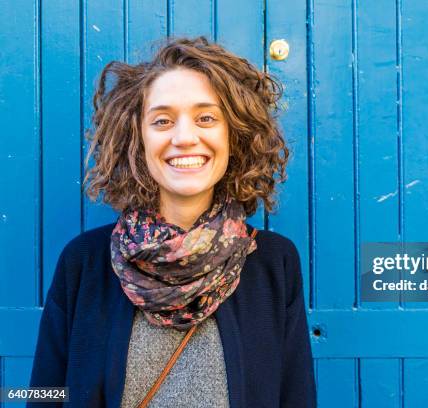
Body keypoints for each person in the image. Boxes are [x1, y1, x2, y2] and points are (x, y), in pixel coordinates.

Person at [28, 36, 316, 408]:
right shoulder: (83, 262)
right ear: (138, 138)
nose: (184, 137)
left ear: (233, 134)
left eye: (206, 118)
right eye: (162, 120)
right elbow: (43, 393)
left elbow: (296, 396)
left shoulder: (273, 262)